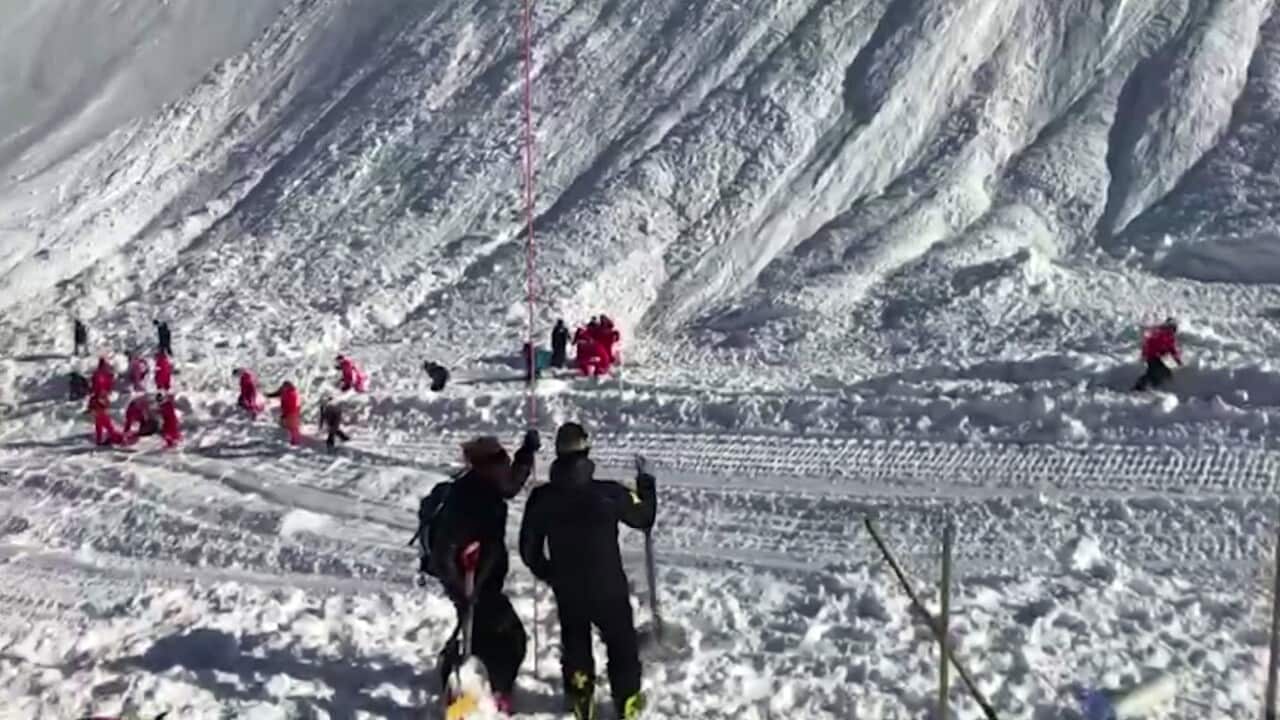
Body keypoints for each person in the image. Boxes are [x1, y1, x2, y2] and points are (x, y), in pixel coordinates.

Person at [519, 422, 656, 720]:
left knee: (576, 641)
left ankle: (581, 695)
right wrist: (647, 488)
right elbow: (644, 517)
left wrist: (549, 573)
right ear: (587, 452)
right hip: (608, 584)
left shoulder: (541, 499)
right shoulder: (610, 493)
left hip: (568, 586)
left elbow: (528, 548)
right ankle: (627, 696)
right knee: (621, 641)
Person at [415, 431, 538, 715]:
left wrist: (527, 453)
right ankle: (495, 691)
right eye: (499, 461)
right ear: (482, 466)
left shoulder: (491, 483)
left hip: (486, 579)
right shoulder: (465, 499)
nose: (505, 467)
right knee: (511, 638)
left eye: (504, 460)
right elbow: (443, 554)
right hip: (469, 583)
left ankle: (464, 680)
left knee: (481, 635)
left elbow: (511, 485)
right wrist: (462, 591)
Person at [1134, 318, 1182, 391]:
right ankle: (1140, 386)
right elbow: (1149, 343)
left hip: (1158, 357)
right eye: (1173, 327)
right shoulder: (1159, 333)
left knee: (1161, 372)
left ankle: (1152, 387)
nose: (1174, 330)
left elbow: (1172, 349)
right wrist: (1146, 355)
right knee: (1158, 371)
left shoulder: (1170, 336)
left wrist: (1178, 361)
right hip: (1152, 356)